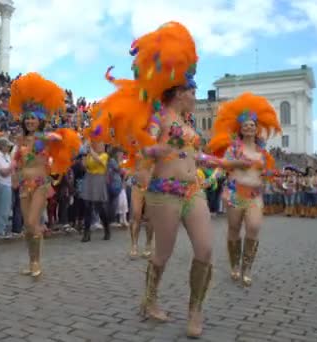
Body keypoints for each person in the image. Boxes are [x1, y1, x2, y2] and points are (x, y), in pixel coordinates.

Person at [89, 22, 225, 337]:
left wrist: (222, 161)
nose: (195, 95)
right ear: (179, 93)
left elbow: (193, 156)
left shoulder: (190, 126)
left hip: (193, 191)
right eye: (192, 90)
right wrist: (161, 147)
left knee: (204, 250)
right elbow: (144, 148)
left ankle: (195, 312)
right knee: (162, 254)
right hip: (164, 192)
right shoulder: (158, 118)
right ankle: (149, 299)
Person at [9, 72, 81, 278]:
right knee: (27, 226)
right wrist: (14, 174)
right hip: (24, 184)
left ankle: (37, 262)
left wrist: (50, 137)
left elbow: (62, 139)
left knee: (33, 222)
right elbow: (16, 161)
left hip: (40, 183)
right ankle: (31, 262)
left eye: (33, 118)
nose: (30, 121)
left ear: (40, 120)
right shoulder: (21, 140)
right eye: (27, 118)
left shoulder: (45, 138)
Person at [208, 92, 281, 288]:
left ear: (256, 129)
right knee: (233, 229)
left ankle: (247, 268)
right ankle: (234, 265)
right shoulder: (234, 148)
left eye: (252, 124)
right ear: (240, 128)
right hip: (234, 194)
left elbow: (266, 173)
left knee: (254, 228)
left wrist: (270, 178)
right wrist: (211, 179)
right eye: (246, 124)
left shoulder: (262, 152)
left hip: (255, 196)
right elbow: (222, 165)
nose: (249, 127)